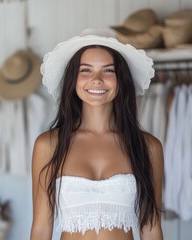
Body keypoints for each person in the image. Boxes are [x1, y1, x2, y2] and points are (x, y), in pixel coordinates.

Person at [30, 29, 164, 240]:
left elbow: (151, 228)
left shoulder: (148, 147)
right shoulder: (49, 145)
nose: (97, 79)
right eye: (86, 70)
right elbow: (40, 229)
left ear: (122, 79)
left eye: (108, 71)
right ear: (73, 79)